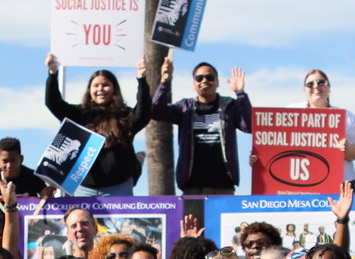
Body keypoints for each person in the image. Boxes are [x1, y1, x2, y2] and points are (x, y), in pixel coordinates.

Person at [43, 56, 152, 195]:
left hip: (119, 187)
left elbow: (144, 112)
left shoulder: (125, 116)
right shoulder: (79, 114)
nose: (100, 89)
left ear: (114, 89)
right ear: (89, 90)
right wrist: (53, 73)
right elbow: (53, 103)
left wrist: (142, 79)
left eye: (106, 85)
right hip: (83, 188)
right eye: (96, 85)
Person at [152, 55, 251, 194]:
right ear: (194, 83)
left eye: (210, 78)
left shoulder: (229, 106)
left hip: (223, 185)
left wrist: (240, 94)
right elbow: (156, 112)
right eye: (199, 78)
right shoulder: (185, 107)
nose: (205, 81)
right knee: (191, 217)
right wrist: (165, 80)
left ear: (217, 82)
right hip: (192, 186)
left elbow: (249, 126)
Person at [299, 70, 355, 185]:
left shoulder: (346, 116)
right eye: (310, 84)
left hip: (341, 182)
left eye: (321, 82)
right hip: (300, 183)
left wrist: (347, 149)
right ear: (304, 90)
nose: (316, 86)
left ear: (329, 88)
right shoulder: (290, 113)